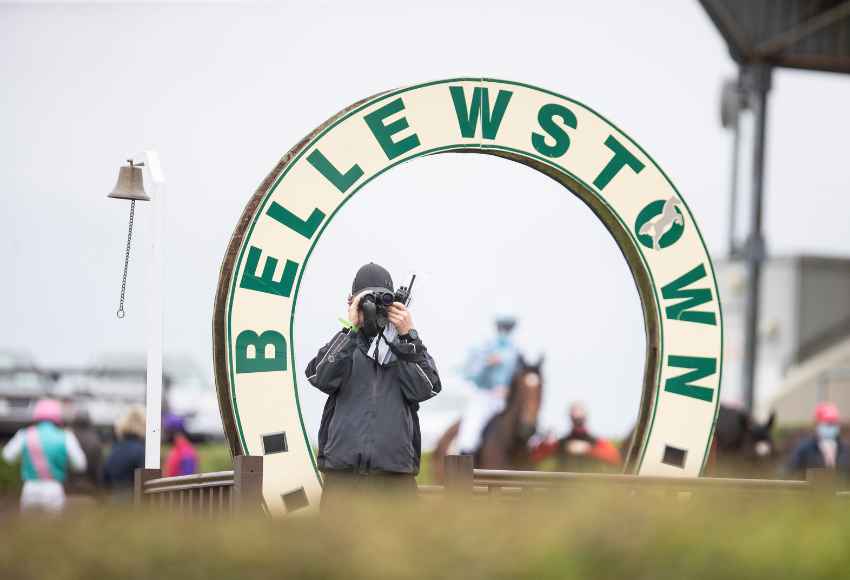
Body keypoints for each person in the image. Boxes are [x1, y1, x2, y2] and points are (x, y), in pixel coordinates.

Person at [305, 262, 441, 509]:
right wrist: (350, 329)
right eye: (367, 300)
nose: (375, 307)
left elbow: (426, 388)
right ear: (351, 302)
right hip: (342, 478)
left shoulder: (405, 347)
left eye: (382, 300)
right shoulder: (345, 343)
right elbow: (320, 377)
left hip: (395, 478)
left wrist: (407, 337)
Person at [1, 398, 87, 512]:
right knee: (53, 529)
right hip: (54, 488)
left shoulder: (24, 434)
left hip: (30, 488)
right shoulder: (66, 436)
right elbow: (80, 465)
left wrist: (25, 458)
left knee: (29, 528)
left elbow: (7, 456)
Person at [456, 314, 520, 454]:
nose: (505, 330)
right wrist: (487, 364)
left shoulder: (516, 351)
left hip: (506, 399)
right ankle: (464, 459)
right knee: (470, 434)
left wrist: (509, 390)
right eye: (503, 326)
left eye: (509, 327)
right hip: (484, 395)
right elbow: (470, 374)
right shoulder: (484, 347)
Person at [532, 402, 621, 471]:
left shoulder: (596, 442)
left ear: (585, 417)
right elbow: (535, 456)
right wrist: (546, 444)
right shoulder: (561, 443)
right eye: (574, 418)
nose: (577, 420)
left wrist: (588, 450)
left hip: (589, 487)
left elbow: (615, 458)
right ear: (570, 418)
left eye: (580, 418)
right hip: (563, 488)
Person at [784, 402, 850, 479]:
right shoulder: (804, 449)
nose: (830, 426)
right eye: (827, 423)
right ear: (817, 424)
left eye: (833, 423)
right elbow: (788, 472)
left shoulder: (846, 449)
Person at [102, 405, 146, 502]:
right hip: (133, 505)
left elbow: (104, 479)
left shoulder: (114, 450)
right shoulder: (141, 451)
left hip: (113, 502)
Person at [65, 408, 104, 499]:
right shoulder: (95, 440)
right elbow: (98, 470)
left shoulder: (67, 437)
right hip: (89, 489)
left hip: (68, 489)